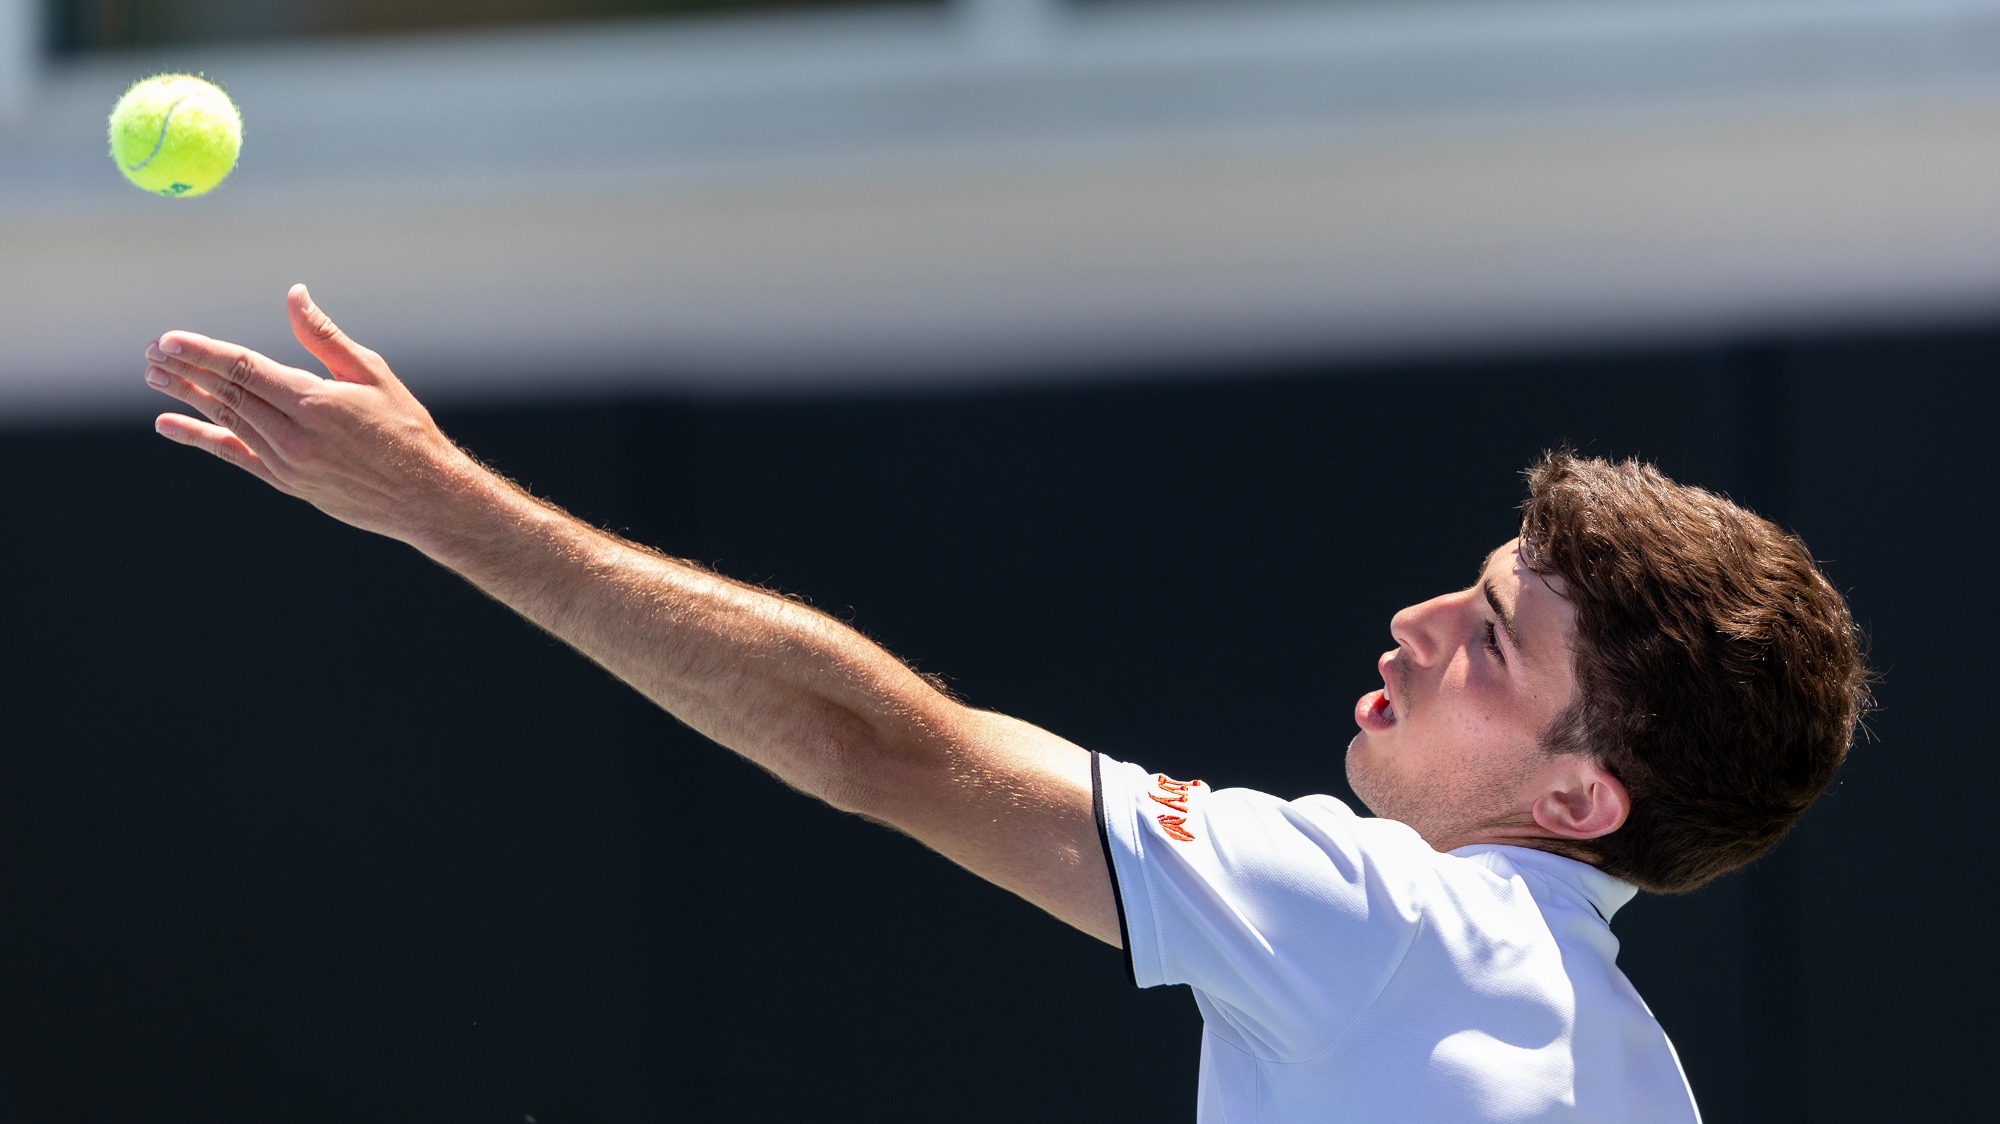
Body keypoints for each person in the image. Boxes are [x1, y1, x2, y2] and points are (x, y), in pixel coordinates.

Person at [141, 285, 1869, 1122]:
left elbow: (873, 746)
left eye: (1489, 639)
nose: (1417, 625)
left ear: (1580, 801)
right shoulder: (1641, 1079)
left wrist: (437, 501)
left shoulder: (1385, 916)